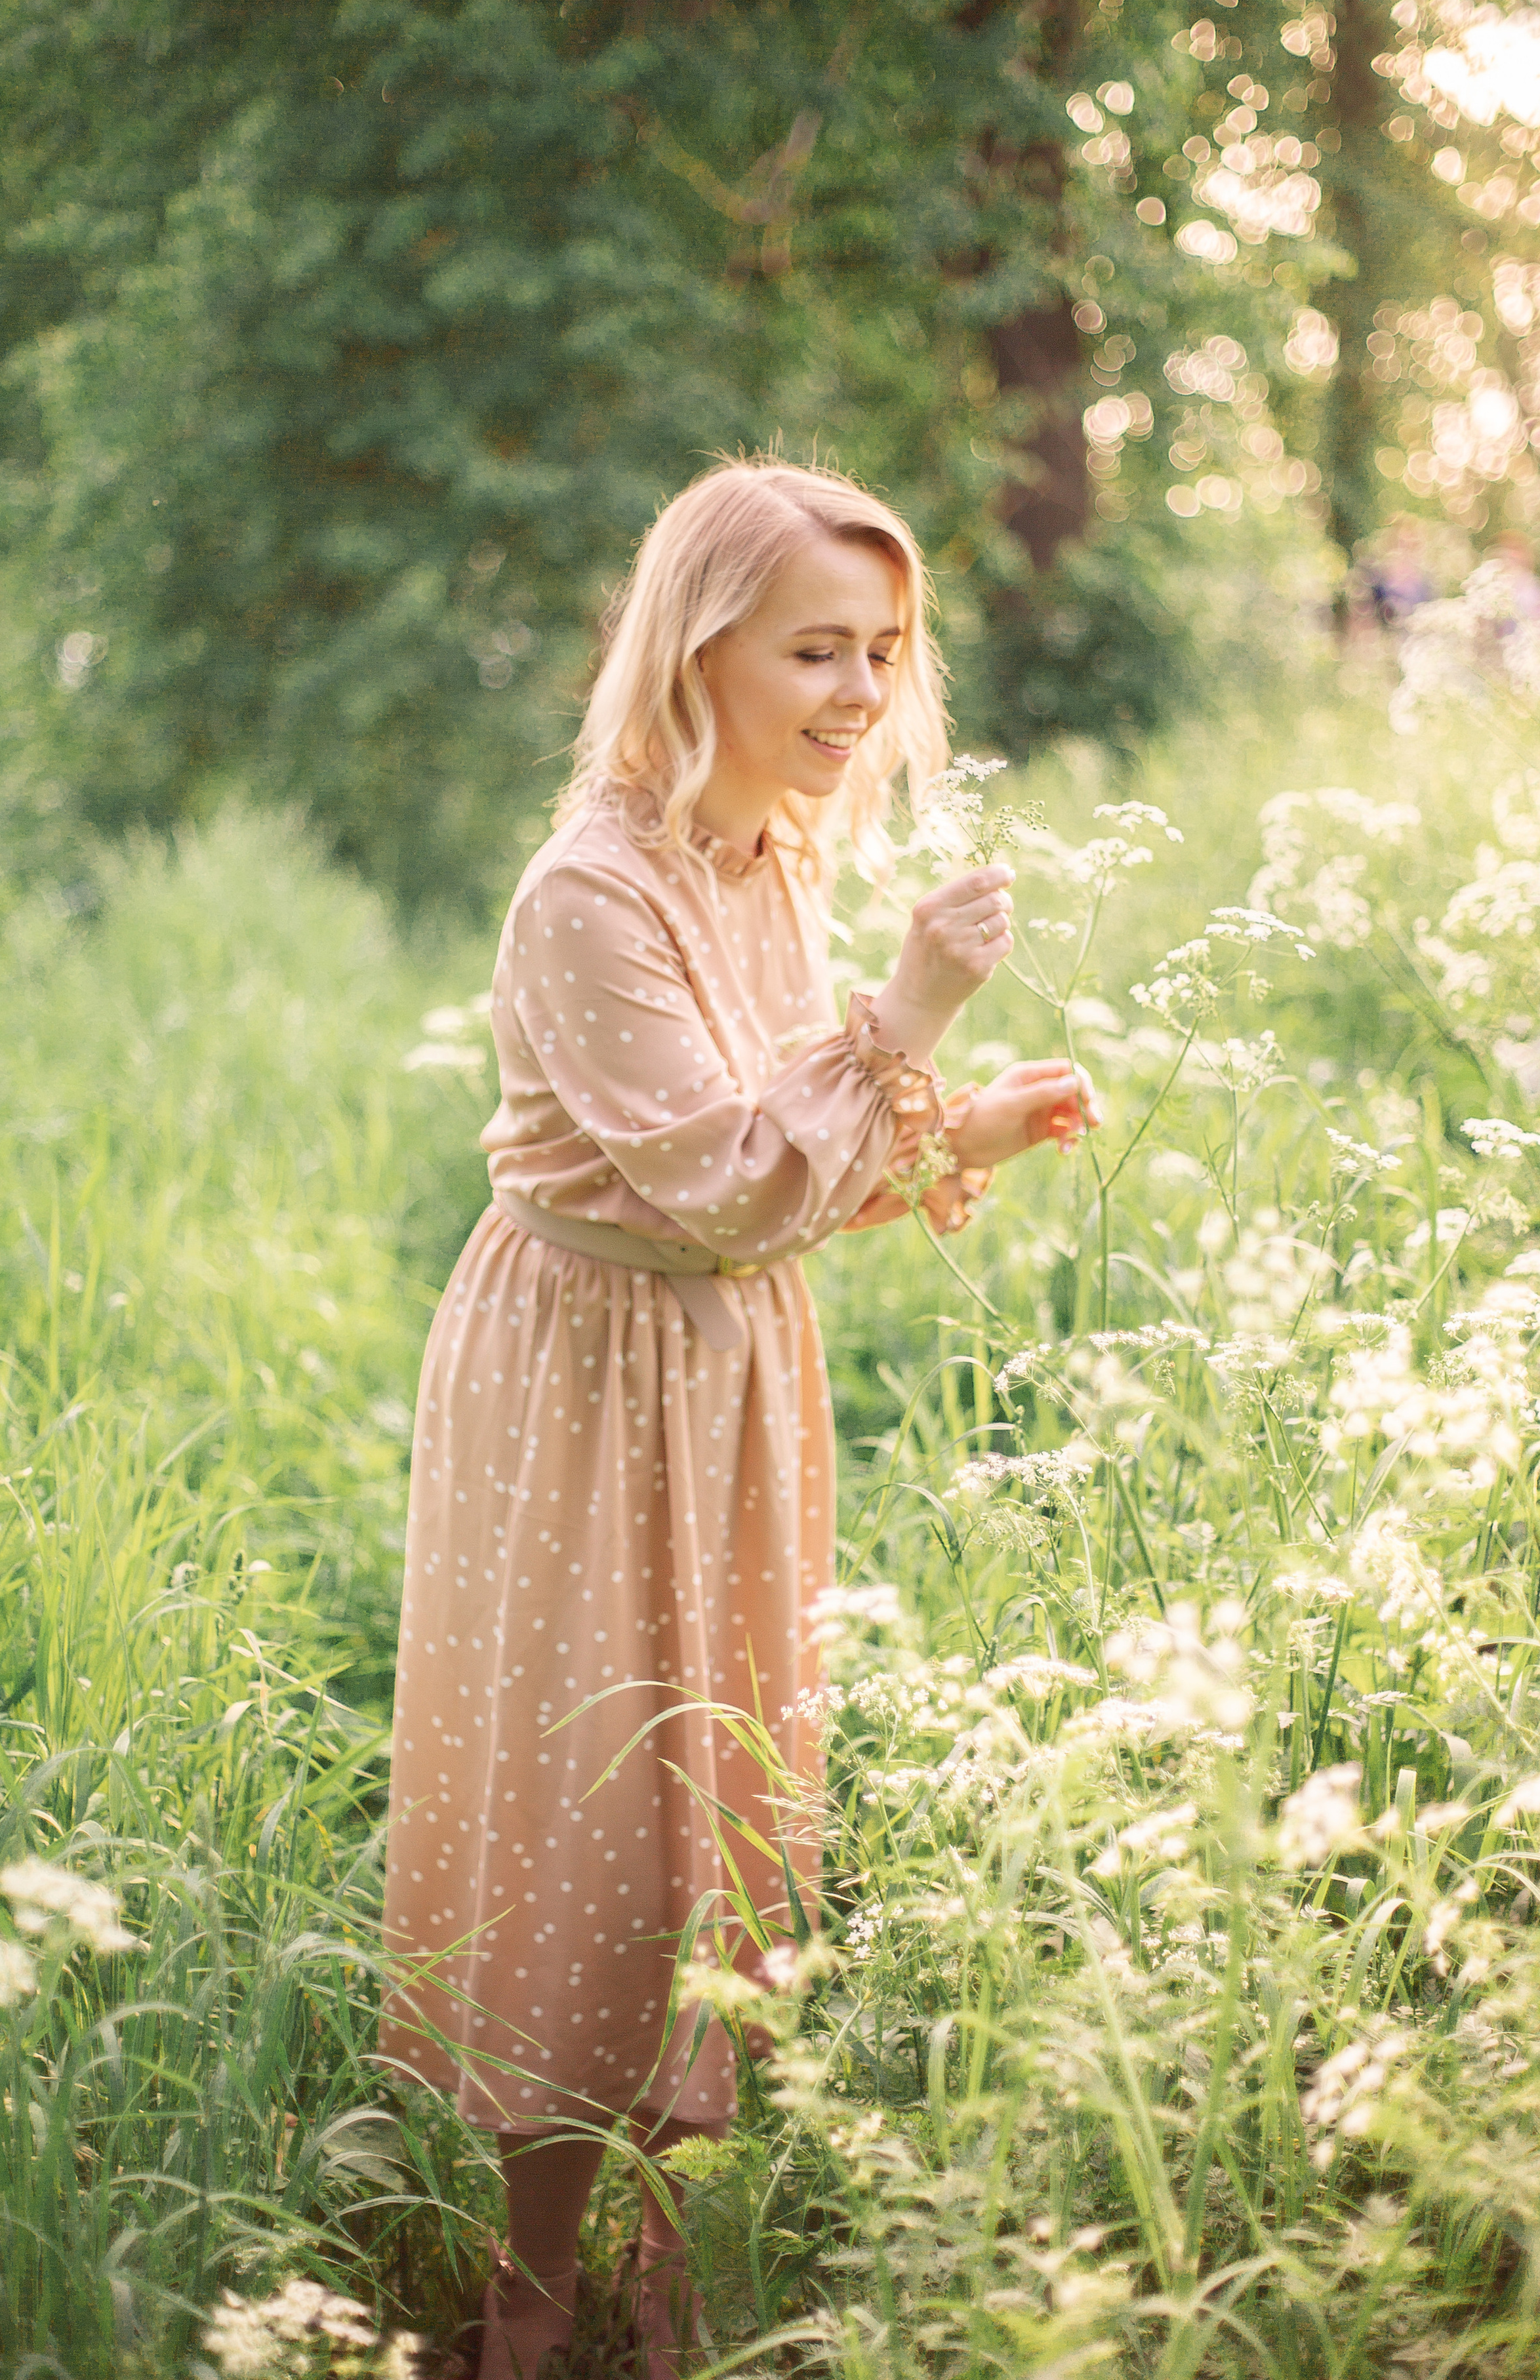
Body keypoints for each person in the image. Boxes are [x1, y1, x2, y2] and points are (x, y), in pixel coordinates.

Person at [377, 456, 1098, 2377]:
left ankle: (661, 2229)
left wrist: (970, 1132)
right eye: (814, 650)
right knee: (587, 1794)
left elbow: (792, 1174)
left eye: (884, 649)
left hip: (730, 1365)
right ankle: (536, 2275)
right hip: (585, 1366)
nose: (861, 692)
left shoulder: (773, 855)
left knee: (725, 1788)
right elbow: (714, 1181)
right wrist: (913, 1014)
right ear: (699, 653)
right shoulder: (589, 892)